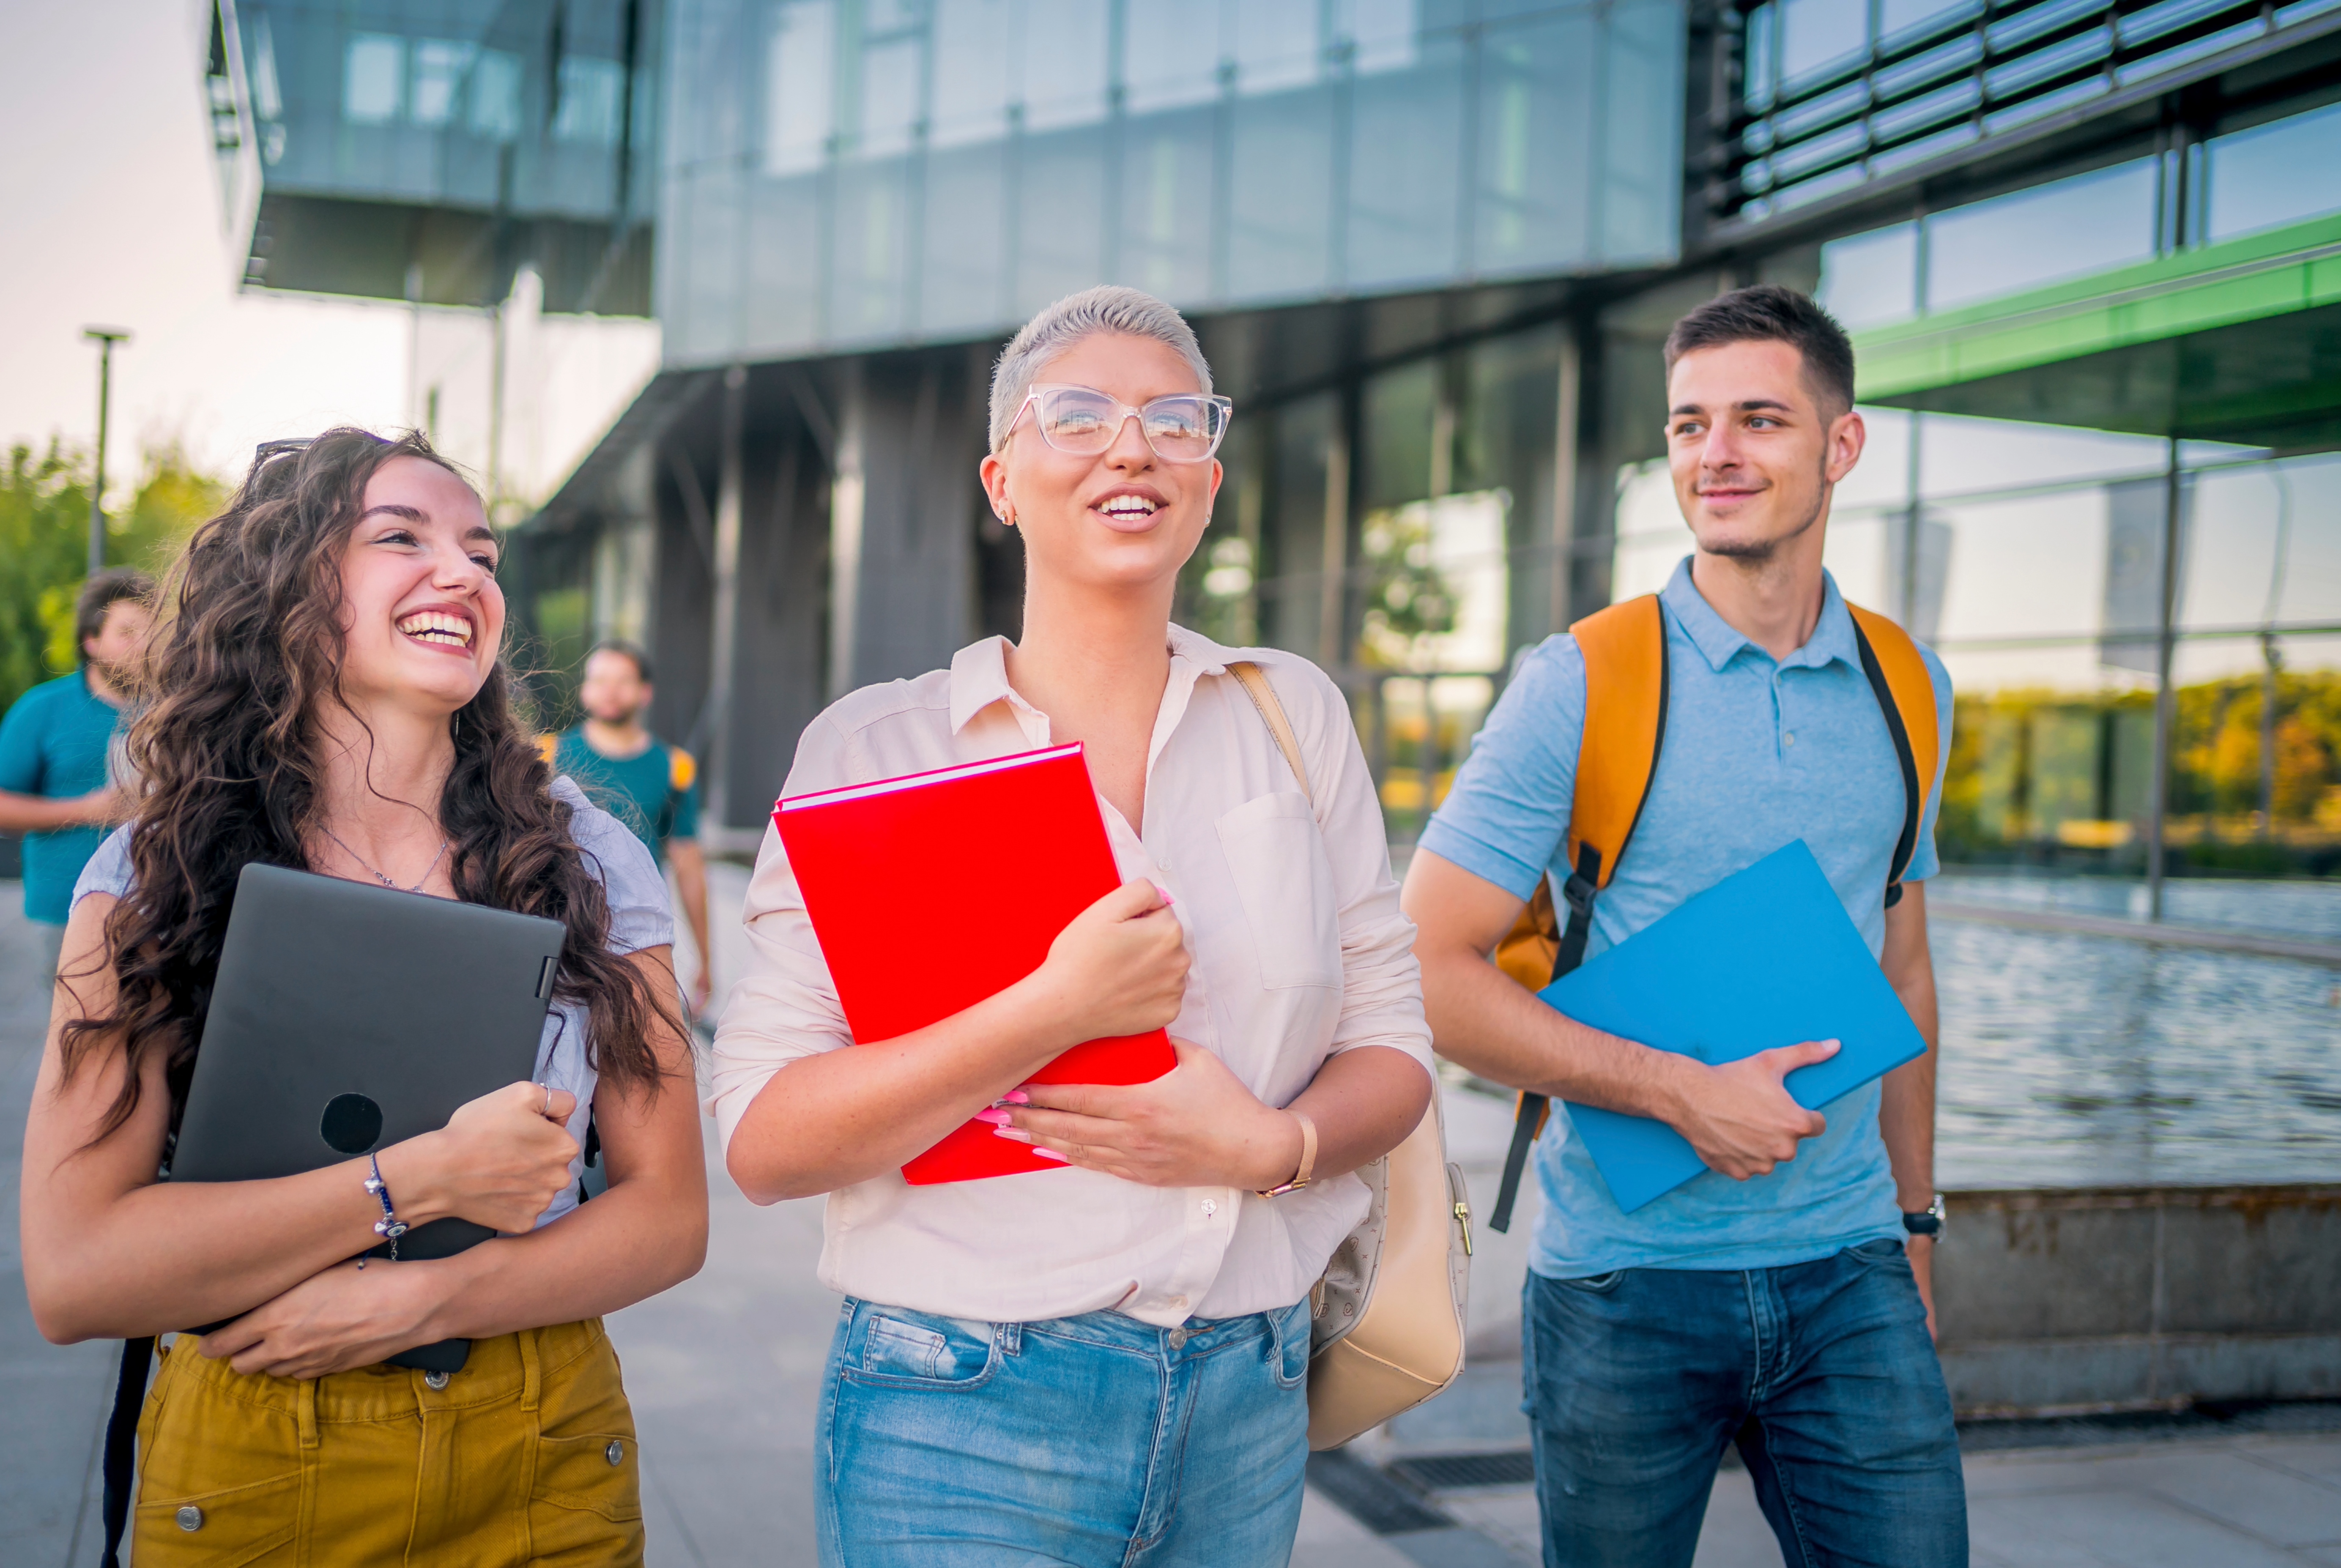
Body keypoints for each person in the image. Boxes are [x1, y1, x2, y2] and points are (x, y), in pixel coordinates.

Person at [708, 286, 1436, 1568]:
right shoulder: (880, 749)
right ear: (1001, 480)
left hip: (1247, 1399)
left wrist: (1276, 1140)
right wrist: (1052, 1008)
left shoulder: (1291, 716)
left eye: (1173, 419)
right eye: (1078, 415)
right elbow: (765, 1143)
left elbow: (1395, 1047)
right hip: (961, 1407)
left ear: (1206, 479)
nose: (1130, 446)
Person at [18, 430, 707, 1566]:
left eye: (482, 552)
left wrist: (426, 1298)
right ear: (287, 584)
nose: (467, 573)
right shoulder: (155, 869)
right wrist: (419, 1180)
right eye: (404, 536)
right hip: (252, 1455)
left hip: (544, 1445)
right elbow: (75, 1271)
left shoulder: (590, 856)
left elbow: (671, 1217)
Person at [1401, 285, 1967, 1565]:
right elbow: (1424, 968)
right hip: (1621, 1287)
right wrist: (1676, 1092)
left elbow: (1907, 969)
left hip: (1849, 1272)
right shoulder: (1578, 682)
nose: (1714, 454)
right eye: (1687, 425)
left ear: (1842, 445)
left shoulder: (1907, 684)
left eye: (1759, 419)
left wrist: (1918, 1226)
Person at [0, 569, 156, 970]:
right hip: (68, 909)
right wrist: (89, 810)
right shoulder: (40, 708)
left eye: (153, 631)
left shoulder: (179, 709)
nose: (145, 644)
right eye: (128, 632)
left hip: (159, 908)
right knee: (75, 1030)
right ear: (91, 641)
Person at [545, 641, 712, 1014]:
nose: (609, 690)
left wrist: (705, 958)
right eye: (599, 679)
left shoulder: (675, 767)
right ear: (585, 689)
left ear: (645, 692)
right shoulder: (547, 756)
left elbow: (689, 863)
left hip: (639, 937)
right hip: (560, 932)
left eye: (622, 680)